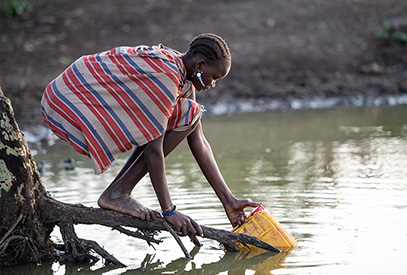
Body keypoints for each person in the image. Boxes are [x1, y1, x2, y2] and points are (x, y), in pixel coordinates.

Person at [41, 33, 259, 238]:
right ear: (200, 66)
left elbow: (199, 141)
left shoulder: (182, 76)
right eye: (214, 77)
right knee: (168, 123)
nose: (213, 84)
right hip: (68, 100)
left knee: (186, 115)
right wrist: (169, 211)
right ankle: (117, 194)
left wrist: (228, 201)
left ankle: (117, 193)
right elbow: (153, 150)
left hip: (74, 93)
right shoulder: (166, 78)